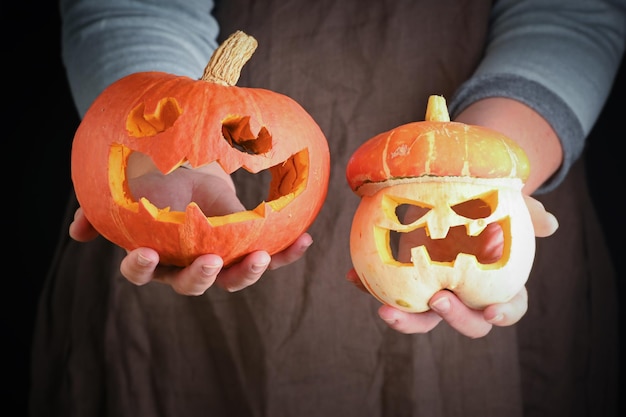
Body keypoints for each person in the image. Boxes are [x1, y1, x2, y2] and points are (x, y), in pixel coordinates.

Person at [30, 0, 625, 416]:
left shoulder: (476, 206)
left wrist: (475, 179)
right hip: (173, 236)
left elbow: (573, 13)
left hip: (513, 147)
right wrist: (169, 152)